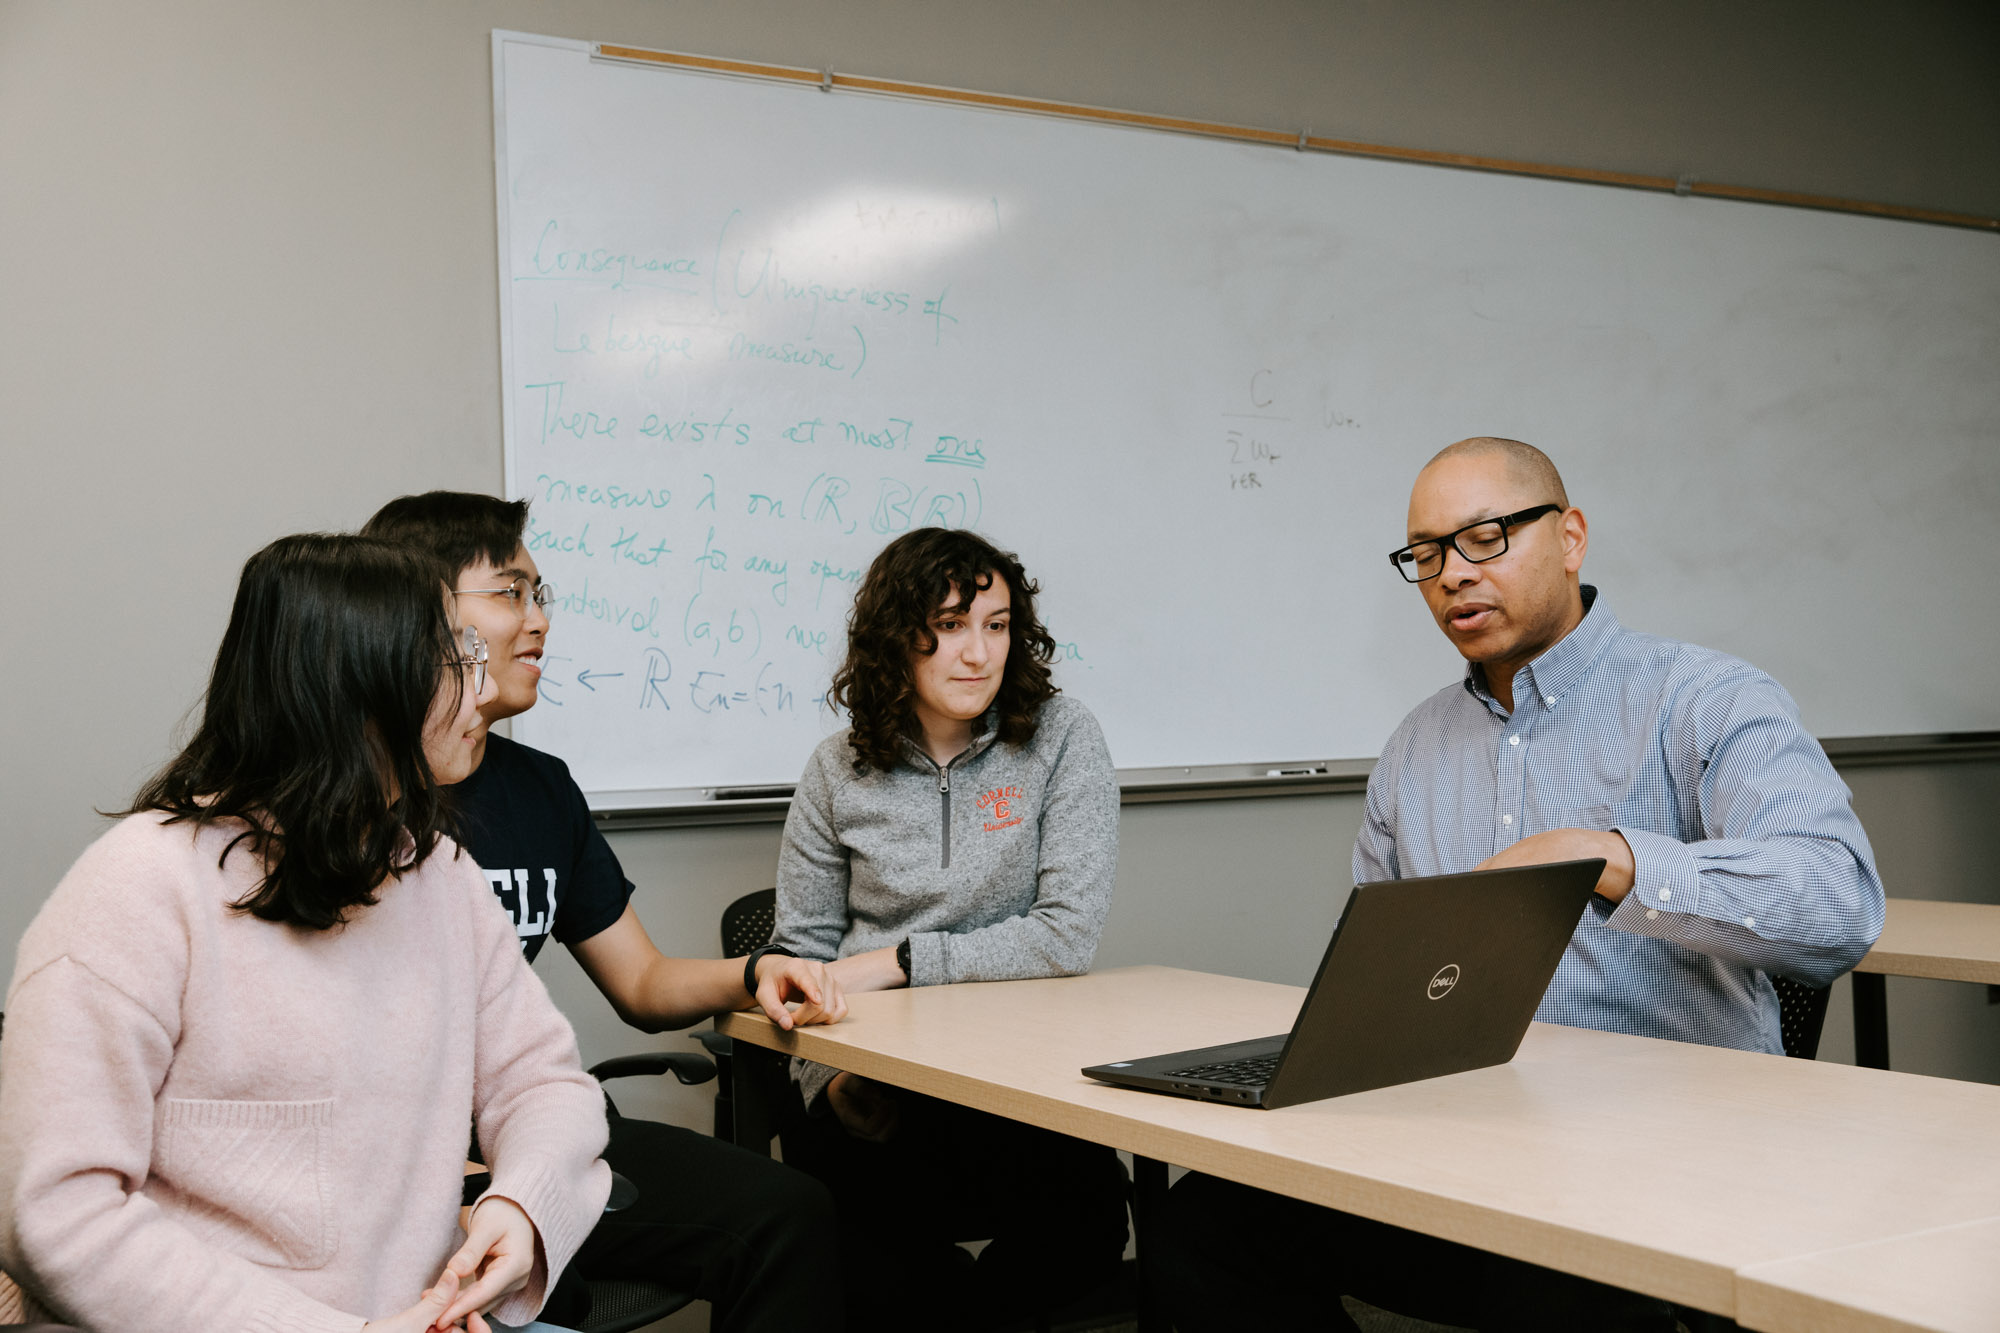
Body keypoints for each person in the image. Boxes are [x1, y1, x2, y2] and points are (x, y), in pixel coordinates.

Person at [1159, 436, 1886, 1331]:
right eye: (1425, 554)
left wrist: (1614, 858)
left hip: (1660, 1163)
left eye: (1487, 536)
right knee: (1200, 1226)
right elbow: (1383, 981)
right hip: (1472, 1147)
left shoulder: (1706, 696)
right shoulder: (1415, 749)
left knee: (1554, 1280)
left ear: (1571, 536)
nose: (1453, 575)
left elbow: (1839, 898)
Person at [0, 533, 610, 1332]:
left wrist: (524, 1208)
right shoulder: (139, 889)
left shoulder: (441, 875)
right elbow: (57, 1211)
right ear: (363, 695)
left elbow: (545, 1085)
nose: (484, 683)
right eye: (457, 659)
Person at [361, 491, 841, 1332]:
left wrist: (756, 970)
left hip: (538, 1130)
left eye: (541, 595)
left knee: (789, 1215)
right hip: (396, 1160)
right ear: (418, 611)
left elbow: (643, 981)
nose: (538, 620)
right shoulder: (348, 795)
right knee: (546, 1289)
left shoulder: (541, 788)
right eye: (510, 593)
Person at [771, 526, 1130, 1332]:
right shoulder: (837, 768)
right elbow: (799, 954)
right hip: (876, 1086)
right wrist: (823, 1079)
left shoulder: (1063, 738)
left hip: (1016, 1079)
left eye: (996, 625)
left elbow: (1063, 935)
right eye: (950, 624)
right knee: (862, 1255)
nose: (978, 652)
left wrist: (895, 960)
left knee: (1092, 1219)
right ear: (898, 635)